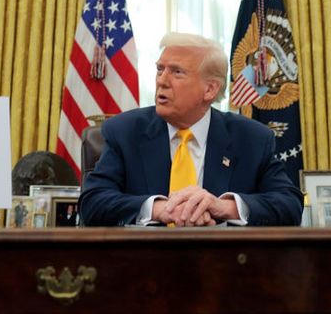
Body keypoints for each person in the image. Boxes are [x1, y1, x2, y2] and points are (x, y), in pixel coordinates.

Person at [79, 32, 303, 226]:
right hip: (145, 259)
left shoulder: (251, 138)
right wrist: (158, 209)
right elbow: (92, 202)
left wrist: (223, 207)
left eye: (177, 72)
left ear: (210, 90)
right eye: (160, 69)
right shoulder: (125, 131)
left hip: (223, 259)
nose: (162, 81)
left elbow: (290, 204)